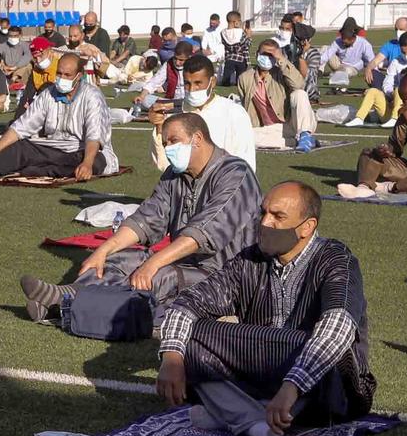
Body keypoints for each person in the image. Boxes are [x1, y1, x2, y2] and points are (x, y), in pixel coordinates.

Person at [152, 181, 375, 436]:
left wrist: (292, 385)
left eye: (278, 217)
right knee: (188, 337)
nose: (265, 223)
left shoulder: (336, 261)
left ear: (307, 227)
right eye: (263, 213)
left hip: (326, 385)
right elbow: (188, 303)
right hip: (265, 367)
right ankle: (255, 421)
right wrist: (172, 358)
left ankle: (233, 415)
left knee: (330, 351)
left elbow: (337, 329)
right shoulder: (250, 260)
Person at [18, 112, 263, 335]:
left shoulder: (235, 174)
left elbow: (205, 232)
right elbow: (146, 219)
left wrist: (154, 263)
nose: (168, 149)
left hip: (226, 278)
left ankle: (64, 308)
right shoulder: (174, 175)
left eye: (173, 141)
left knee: (159, 277)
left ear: (197, 138)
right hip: (184, 263)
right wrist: (104, 250)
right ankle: (67, 299)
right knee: (117, 260)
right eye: (165, 143)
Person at [0, 52, 117, 182]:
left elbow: (94, 136)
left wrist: (87, 163)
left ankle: (43, 170)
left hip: (81, 150)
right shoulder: (48, 94)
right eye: (59, 73)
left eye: (67, 75)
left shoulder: (92, 97)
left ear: (79, 76)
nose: (61, 78)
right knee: (19, 147)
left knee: (96, 162)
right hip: (53, 147)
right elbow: (20, 128)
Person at [150, 54, 255, 172]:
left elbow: (245, 162)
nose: (192, 89)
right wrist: (159, 126)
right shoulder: (175, 114)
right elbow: (164, 164)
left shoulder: (233, 112)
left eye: (198, 83)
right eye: (187, 83)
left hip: (223, 184)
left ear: (212, 82)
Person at [241, 37, 319, 151]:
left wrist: (281, 59)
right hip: (270, 129)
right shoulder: (245, 78)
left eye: (271, 55)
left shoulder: (282, 73)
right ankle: (295, 142)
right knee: (246, 138)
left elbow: (299, 84)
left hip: (295, 123)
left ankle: (305, 136)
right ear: (258, 54)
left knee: (299, 94)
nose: (267, 57)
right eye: (264, 54)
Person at [345, 33, 407, 128]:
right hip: (394, 105)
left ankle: (395, 118)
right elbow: (388, 82)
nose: (406, 55)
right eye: (403, 52)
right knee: (373, 91)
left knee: (400, 89)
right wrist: (391, 95)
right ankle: (359, 118)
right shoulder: (396, 61)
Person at [317, 19, 375, 88]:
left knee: (347, 71)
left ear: (353, 37)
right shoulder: (338, 41)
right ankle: (319, 72)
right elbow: (327, 54)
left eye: (347, 39)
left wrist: (371, 71)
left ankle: (334, 75)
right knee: (325, 48)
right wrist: (314, 65)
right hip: (338, 64)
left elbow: (372, 60)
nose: (344, 41)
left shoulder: (364, 44)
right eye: (343, 38)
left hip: (352, 68)